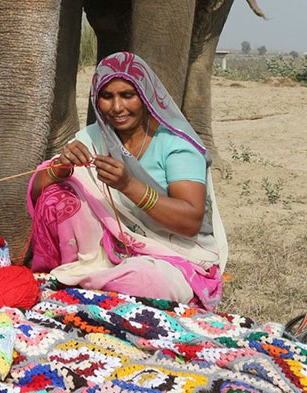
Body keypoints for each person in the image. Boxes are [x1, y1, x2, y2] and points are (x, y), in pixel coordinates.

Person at [28, 52, 227, 309]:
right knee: (58, 197)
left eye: (127, 95)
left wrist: (129, 186)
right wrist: (60, 168)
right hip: (105, 252)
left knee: (146, 283)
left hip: (173, 256)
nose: (117, 107)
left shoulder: (176, 145)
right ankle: (86, 276)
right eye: (107, 96)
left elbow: (190, 222)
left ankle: (85, 285)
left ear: (145, 96)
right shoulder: (92, 138)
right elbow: (36, 191)